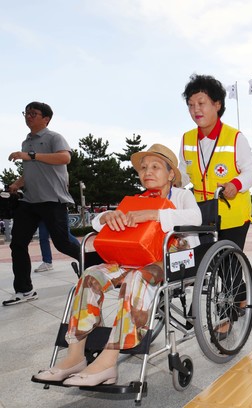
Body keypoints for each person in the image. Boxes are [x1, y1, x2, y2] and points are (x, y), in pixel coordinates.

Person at [33, 144, 201, 386]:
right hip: (130, 258)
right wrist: (106, 217)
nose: (147, 172)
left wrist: (153, 215)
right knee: (91, 275)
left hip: (169, 259)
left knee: (137, 280)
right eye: (143, 168)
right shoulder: (137, 199)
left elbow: (195, 218)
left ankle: (108, 361)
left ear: (171, 174)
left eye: (155, 167)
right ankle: (75, 356)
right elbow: (97, 222)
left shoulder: (182, 196)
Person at [3, 102, 81, 306]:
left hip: (52, 200)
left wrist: (30, 156)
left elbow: (65, 157)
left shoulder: (54, 137)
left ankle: (96, 263)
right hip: (29, 201)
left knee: (63, 243)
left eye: (33, 113)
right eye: (26, 113)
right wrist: (17, 184)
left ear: (45, 118)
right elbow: (31, 171)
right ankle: (24, 290)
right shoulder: (25, 142)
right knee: (18, 244)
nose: (28, 116)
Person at [179, 74, 252, 249]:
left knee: (230, 269)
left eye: (201, 103)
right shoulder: (187, 139)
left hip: (232, 214)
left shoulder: (235, 137)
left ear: (217, 104)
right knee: (203, 266)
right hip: (200, 214)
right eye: (191, 105)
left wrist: (235, 184)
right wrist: (171, 182)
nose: (196, 110)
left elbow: (251, 170)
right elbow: (182, 174)